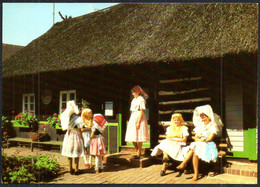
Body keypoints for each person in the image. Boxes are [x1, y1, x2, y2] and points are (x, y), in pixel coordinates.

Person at [176, 104, 223, 181]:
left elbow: (210, 138)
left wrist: (201, 140)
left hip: (208, 144)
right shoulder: (200, 125)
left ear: (208, 116)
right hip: (198, 143)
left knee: (195, 149)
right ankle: (195, 173)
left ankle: (185, 164)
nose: (203, 118)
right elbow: (196, 137)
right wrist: (198, 140)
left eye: (204, 116)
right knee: (195, 151)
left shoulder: (212, 125)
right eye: (202, 117)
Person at [60, 100, 85, 175]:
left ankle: (70, 169)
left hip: (69, 135)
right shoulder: (78, 119)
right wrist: (82, 139)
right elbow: (79, 129)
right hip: (76, 135)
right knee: (76, 153)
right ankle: (76, 169)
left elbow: (66, 127)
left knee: (69, 153)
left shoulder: (65, 117)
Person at [125, 85, 149, 159]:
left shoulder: (141, 99)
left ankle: (139, 151)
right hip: (133, 116)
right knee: (132, 134)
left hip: (139, 116)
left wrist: (138, 121)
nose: (133, 94)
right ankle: (137, 149)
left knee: (139, 134)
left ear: (138, 92)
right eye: (132, 92)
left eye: (134, 92)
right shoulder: (133, 100)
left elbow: (142, 111)